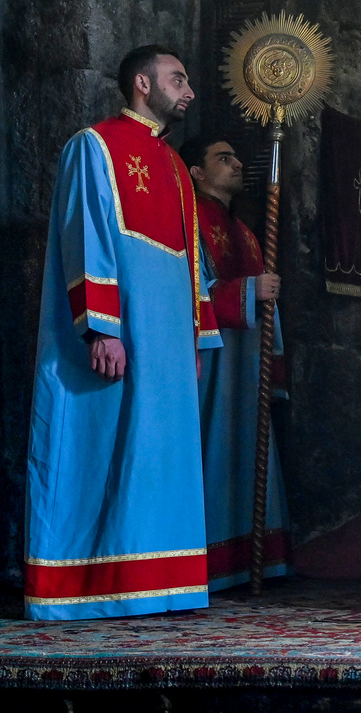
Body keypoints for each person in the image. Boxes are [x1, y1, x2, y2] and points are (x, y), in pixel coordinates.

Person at [25, 45, 221, 620]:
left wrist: (194, 340)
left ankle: (156, 581)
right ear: (141, 83)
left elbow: (193, 267)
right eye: (177, 79)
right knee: (103, 449)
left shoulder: (175, 169)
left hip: (167, 347)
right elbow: (84, 234)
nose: (187, 92)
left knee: (157, 456)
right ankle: (86, 583)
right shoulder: (97, 145)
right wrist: (100, 328)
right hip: (121, 335)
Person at [180, 136, 291, 590]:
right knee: (216, 451)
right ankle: (210, 563)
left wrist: (275, 366)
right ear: (196, 172)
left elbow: (267, 305)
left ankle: (252, 560)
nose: (236, 163)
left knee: (249, 452)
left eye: (236, 154)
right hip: (214, 361)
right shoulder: (188, 223)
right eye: (222, 157)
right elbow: (189, 290)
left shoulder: (245, 231)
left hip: (247, 365)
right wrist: (249, 292)